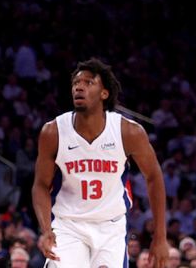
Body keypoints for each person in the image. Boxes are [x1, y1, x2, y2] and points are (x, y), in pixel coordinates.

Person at [32, 58, 169, 268]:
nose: (79, 86)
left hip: (110, 227)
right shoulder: (53, 132)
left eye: (88, 82)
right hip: (69, 225)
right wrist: (46, 229)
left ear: (104, 93)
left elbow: (154, 177)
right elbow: (41, 185)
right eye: (76, 83)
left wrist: (160, 237)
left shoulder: (128, 132)